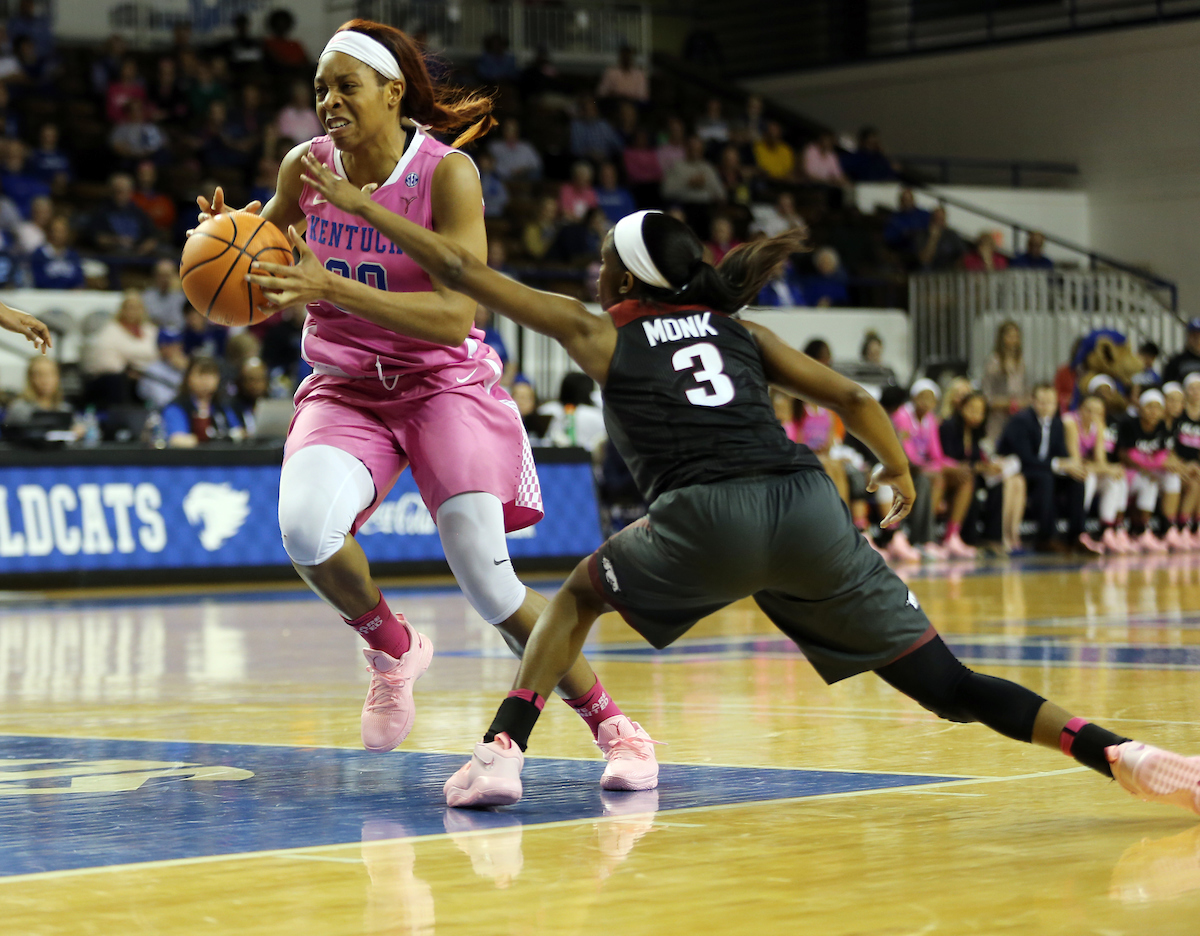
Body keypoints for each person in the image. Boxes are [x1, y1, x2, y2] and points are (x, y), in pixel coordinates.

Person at [343, 202, 1200, 814]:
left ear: (627, 276)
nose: (595, 271)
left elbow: (460, 270)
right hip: (810, 512)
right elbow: (858, 402)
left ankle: (502, 752)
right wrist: (896, 472)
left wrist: (349, 201)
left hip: (710, 515)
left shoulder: (602, 332)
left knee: (573, 598)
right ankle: (1118, 752)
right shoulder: (741, 332)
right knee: (949, 686)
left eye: (605, 260)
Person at [229, 18, 656, 782]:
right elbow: (254, 274)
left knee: (491, 585)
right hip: (347, 386)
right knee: (303, 530)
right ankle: (394, 650)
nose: (328, 100)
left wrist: (332, 285)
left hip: (439, 384)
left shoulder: (447, 174)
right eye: (320, 86)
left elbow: (458, 316)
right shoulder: (306, 166)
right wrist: (223, 247)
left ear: (393, 93)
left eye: (345, 85)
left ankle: (615, 727)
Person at [891, 379, 976, 559]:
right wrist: (933, 468)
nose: (925, 403)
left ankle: (951, 536)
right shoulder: (902, 416)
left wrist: (954, 466)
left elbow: (936, 454)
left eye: (930, 399)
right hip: (907, 470)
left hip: (926, 468)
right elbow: (907, 454)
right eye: (922, 397)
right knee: (936, 478)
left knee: (965, 477)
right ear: (913, 397)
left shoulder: (930, 420)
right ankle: (924, 539)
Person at [997, 384, 1086, 553]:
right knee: (1045, 479)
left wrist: (1069, 466)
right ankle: (1047, 537)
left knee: (1076, 478)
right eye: (1042, 402)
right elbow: (1025, 458)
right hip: (1021, 470)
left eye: (1051, 402)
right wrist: (1058, 464)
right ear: (1033, 401)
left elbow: (1061, 453)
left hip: (1044, 470)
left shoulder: (1057, 423)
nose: (1047, 407)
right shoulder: (1020, 421)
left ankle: (1077, 536)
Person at [1115, 389, 1181, 553]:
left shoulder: (1161, 427)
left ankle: (1169, 527)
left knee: (1173, 478)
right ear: (1141, 408)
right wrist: (1145, 468)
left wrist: (1178, 466)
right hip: (1130, 471)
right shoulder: (1129, 424)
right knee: (1148, 482)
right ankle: (1139, 530)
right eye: (1149, 407)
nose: (1153, 411)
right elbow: (1123, 454)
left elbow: (1164, 454)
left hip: (1150, 470)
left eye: (1157, 407)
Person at [1070, 392, 1133, 555]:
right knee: (1087, 478)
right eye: (1089, 410)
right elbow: (1077, 462)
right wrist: (1108, 468)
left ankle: (1108, 529)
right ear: (1080, 409)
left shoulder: (1098, 426)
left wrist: (1110, 469)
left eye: (1098, 411)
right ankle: (1079, 530)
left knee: (1116, 479)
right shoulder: (1070, 423)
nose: (1093, 415)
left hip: (1087, 469)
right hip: (1068, 472)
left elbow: (1100, 460)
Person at [162, 356, 243, 447]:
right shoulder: (177, 407)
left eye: (211, 375)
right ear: (188, 378)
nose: (206, 381)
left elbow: (239, 432)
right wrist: (207, 439)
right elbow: (177, 440)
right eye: (201, 374)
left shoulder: (222, 406)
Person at [982, 320, 1028, 440]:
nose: (1013, 340)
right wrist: (1008, 403)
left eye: (1016, 336)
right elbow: (987, 395)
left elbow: (1026, 389)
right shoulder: (994, 361)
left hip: (1018, 415)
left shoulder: (1021, 361)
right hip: (998, 416)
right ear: (1001, 338)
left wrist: (1023, 402)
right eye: (1010, 336)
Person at [1171, 373, 1200, 547]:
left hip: (1195, 465)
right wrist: (1180, 465)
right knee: (1194, 484)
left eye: (1199, 388)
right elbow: (1169, 445)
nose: (1196, 392)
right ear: (1185, 391)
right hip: (1178, 463)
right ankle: (1182, 527)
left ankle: (1195, 527)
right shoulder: (1178, 415)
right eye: (1192, 388)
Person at [28, 215, 84, 289]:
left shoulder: (72, 255)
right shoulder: (40, 254)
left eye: (62, 231)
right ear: (49, 232)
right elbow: (39, 281)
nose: (59, 235)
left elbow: (79, 280)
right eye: (56, 231)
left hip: (70, 297)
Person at [1163, 318, 1200, 385]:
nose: (1198, 341)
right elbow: (1169, 386)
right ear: (1188, 337)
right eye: (1194, 336)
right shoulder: (1176, 362)